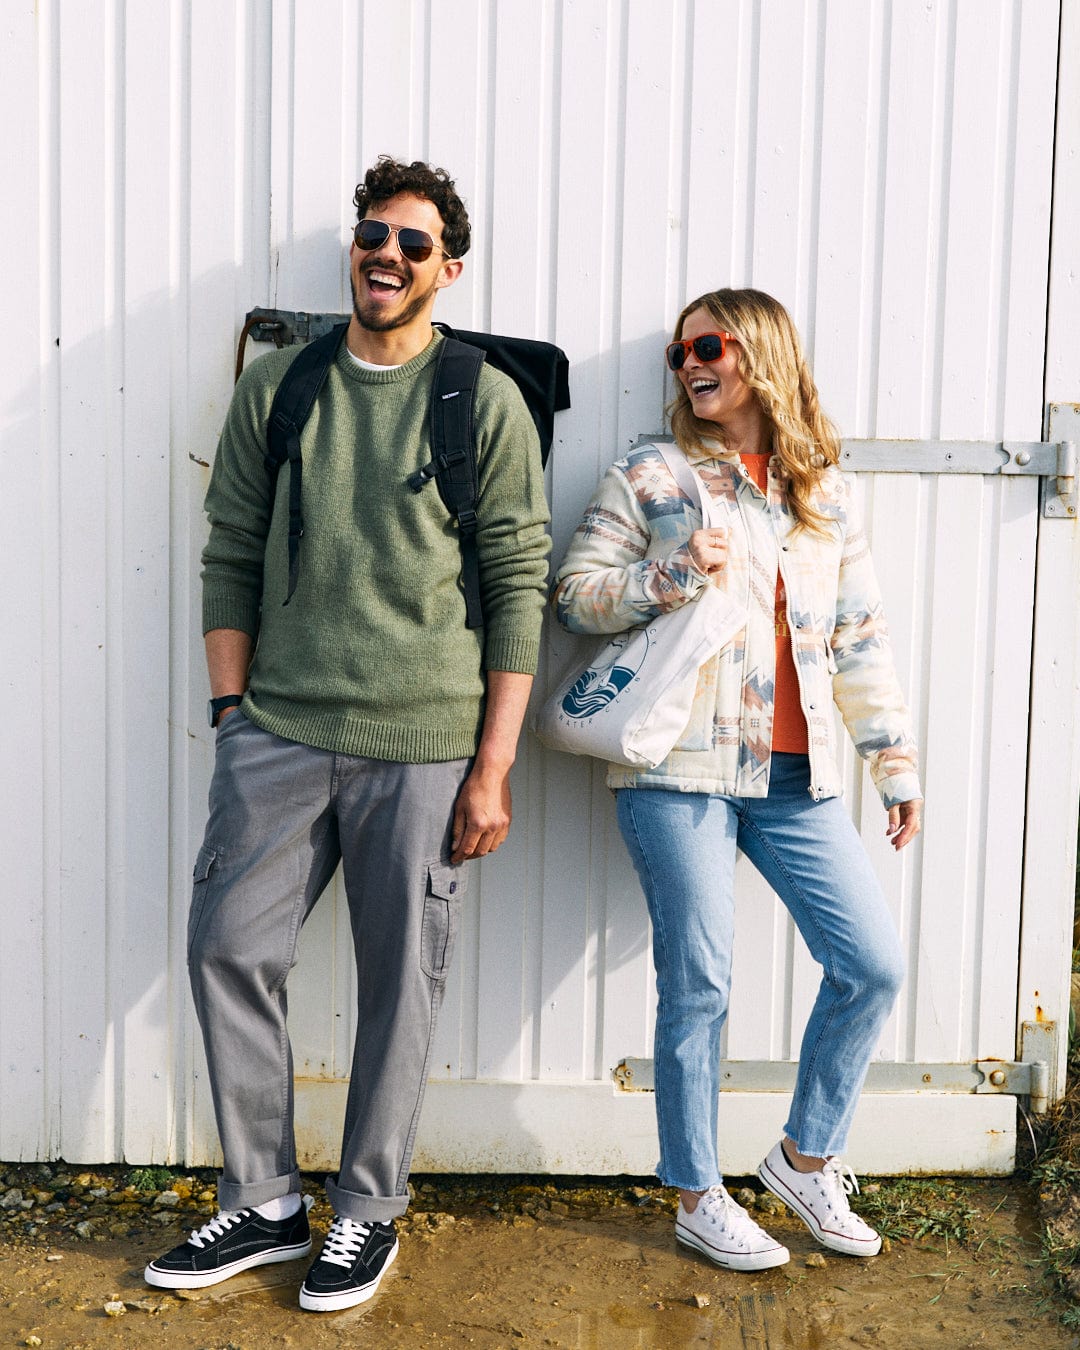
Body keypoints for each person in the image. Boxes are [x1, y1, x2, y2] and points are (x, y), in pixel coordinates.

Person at [144, 156, 550, 1312]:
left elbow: (518, 583)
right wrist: (232, 715)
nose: (388, 254)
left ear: (448, 268)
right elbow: (228, 549)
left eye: (415, 243)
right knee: (227, 945)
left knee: (398, 989)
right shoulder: (282, 386)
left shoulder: (484, 398)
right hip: (278, 728)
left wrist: (493, 767)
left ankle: (365, 1214)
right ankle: (266, 1201)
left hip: (424, 744)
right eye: (375, 234)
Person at [552, 288, 922, 1271]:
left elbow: (859, 637)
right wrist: (671, 572)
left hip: (798, 779)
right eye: (679, 353)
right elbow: (575, 599)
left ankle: (806, 1159)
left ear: (760, 351)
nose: (689, 365)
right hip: (680, 770)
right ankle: (697, 1192)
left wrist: (891, 761)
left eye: (708, 346)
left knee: (872, 963)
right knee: (701, 984)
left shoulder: (822, 491)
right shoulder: (656, 474)